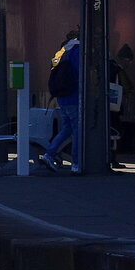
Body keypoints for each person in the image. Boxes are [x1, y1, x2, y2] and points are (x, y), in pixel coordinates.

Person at [40, 32, 80, 174]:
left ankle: (49, 154)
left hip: (62, 97)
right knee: (78, 130)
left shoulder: (62, 52)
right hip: (75, 96)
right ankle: (76, 163)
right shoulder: (78, 51)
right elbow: (80, 74)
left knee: (67, 129)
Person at [108, 44, 134, 169]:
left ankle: (107, 157)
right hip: (114, 106)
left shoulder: (106, 66)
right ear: (124, 59)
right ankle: (112, 159)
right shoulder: (118, 69)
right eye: (129, 61)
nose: (129, 64)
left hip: (102, 105)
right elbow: (128, 87)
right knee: (114, 132)